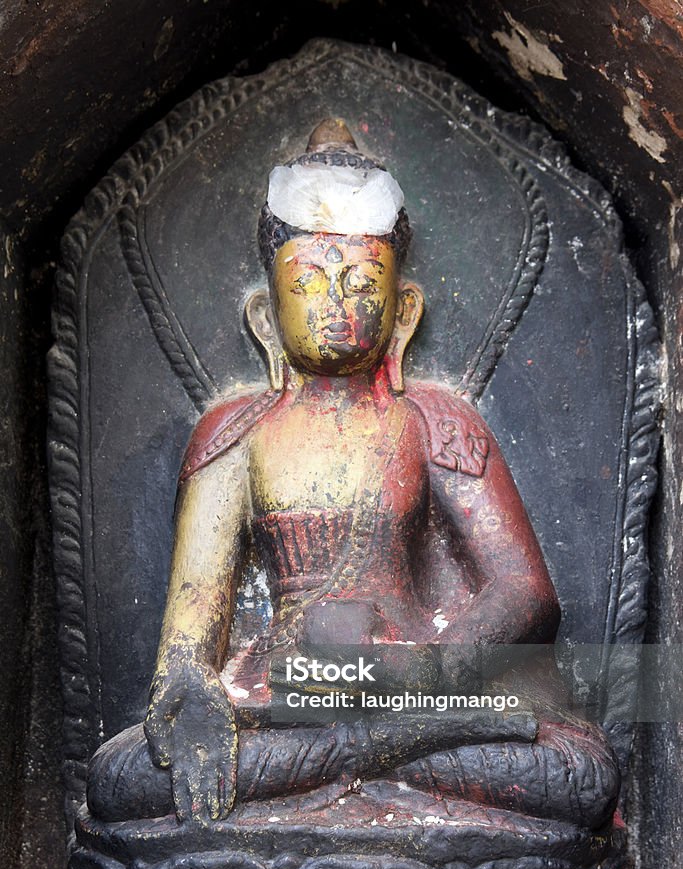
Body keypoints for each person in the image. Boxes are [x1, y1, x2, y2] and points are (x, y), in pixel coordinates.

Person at [87, 120, 619, 831]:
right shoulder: (235, 434)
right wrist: (190, 695)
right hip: (281, 691)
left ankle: (369, 749)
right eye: (306, 282)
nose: (334, 305)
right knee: (120, 780)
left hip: (415, 681)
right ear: (265, 318)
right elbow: (188, 639)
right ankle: (376, 752)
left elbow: (525, 594)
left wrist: (419, 678)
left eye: (361, 282)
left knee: (578, 778)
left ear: (402, 311)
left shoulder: (433, 418)